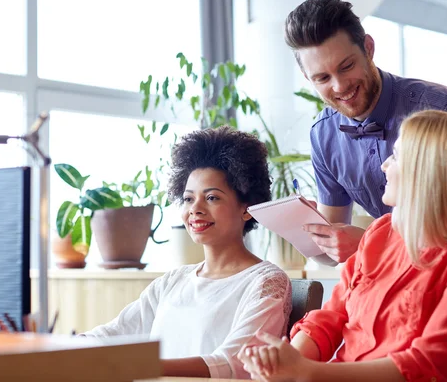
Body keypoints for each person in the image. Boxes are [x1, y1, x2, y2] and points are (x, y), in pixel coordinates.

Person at [283, 0, 447, 380]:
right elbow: (332, 246)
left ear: (368, 48)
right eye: (322, 78)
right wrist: (326, 238)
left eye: (347, 66)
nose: (339, 86)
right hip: (406, 306)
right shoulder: (324, 137)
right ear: (308, 79)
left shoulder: (438, 108)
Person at [239, 110, 447, 382]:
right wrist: (289, 363)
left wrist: (306, 372)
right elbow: (330, 318)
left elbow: (428, 362)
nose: (385, 165)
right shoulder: (379, 232)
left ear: (426, 172)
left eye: (395, 156)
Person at [83, 126, 292, 379]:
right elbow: (114, 334)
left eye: (212, 198)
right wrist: (60, 346)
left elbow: (234, 364)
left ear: (246, 209)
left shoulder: (266, 282)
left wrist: (144, 366)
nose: (196, 209)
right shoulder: (172, 281)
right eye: (188, 199)